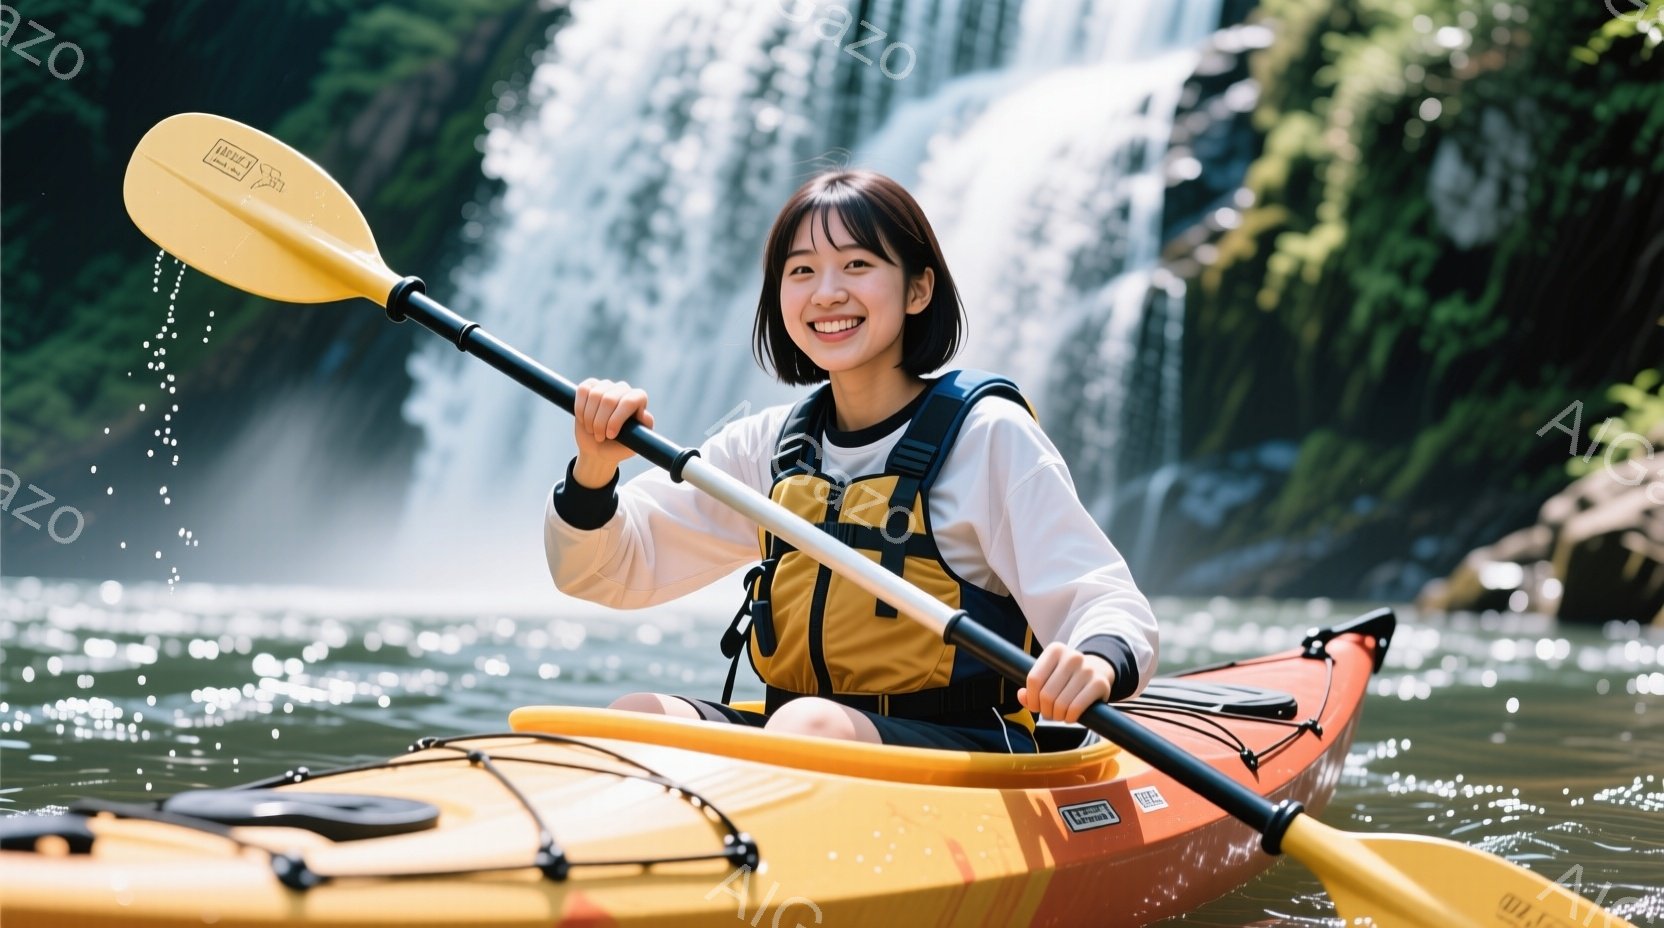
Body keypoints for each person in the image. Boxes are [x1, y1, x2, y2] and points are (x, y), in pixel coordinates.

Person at [544, 169, 1156, 753]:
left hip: (966, 746)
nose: (827, 292)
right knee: (633, 717)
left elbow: (1104, 599)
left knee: (806, 724)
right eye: (802, 270)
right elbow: (610, 570)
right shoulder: (769, 447)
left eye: (857, 265)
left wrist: (1096, 660)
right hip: (803, 735)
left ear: (918, 288)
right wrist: (594, 471)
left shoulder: (988, 436)